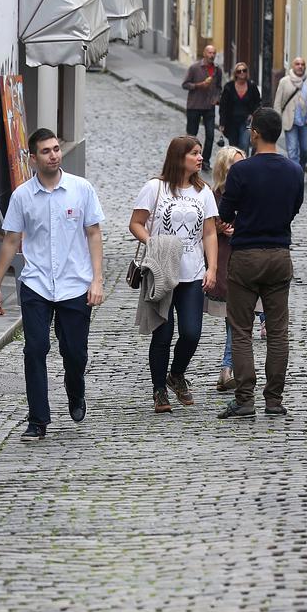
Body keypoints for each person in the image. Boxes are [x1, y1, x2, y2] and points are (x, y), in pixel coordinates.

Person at [0, 128, 105, 440]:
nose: (54, 154)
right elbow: (11, 239)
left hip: (75, 284)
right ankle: (38, 419)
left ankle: (75, 389)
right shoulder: (22, 196)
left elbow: (94, 233)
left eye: (56, 149)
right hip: (36, 284)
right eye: (46, 151)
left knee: (75, 353)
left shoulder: (81, 189)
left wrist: (97, 279)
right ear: (33, 159)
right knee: (35, 349)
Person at [216, 107, 304, 419]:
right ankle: (274, 400)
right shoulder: (294, 171)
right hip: (279, 254)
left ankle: (244, 399)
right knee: (278, 332)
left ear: (254, 133)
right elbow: (294, 208)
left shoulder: (241, 172)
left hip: (246, 255)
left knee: (241, 328)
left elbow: (225, 214)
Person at [129, 136, 219, 413]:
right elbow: (136, 223)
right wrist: (153, 243)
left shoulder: (204, 192)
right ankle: (159, 390)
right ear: (179, 157)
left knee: (191, 333)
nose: (200, 157)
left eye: (200, 153)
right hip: (161, 272)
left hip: (192, 273)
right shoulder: (154, 188)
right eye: (194, 153)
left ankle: (176, 374)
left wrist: (212, 267)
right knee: (162, 335)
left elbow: (210, 232)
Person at [207, 146, 245, 393]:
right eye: (234, 164)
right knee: (235, 318)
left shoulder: (249, 192)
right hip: (222, 262)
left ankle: (228, 368)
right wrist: (218, 230)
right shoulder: (212, 196)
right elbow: (203, 229)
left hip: (244, 260)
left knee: (236, 319)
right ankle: (227, 368)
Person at [274, 57, 307, 169]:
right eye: (297, 64)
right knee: (292, 150)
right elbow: (277, 103)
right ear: (293, 66)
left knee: (305, 149)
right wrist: (278, 120)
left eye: (302, 64)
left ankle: (301, 166)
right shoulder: (284, 81)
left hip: (306, 122)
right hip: (289, 121)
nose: (300, 66)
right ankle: (296, 174)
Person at [181, 44, 223, 170]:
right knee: (191, 136)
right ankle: (189, 159)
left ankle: (205, 161)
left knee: (210, 135)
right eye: (210, 53)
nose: (212, 55)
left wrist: (217, 98)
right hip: (194, 105)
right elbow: (185, 84)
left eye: (214, 53)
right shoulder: (195, 68)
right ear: (204, 53)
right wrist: (200, 85)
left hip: (209, 107)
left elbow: (219, 87)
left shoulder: (217, 70)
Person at [218, 62, 262, 155]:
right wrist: (222, 123)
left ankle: (244, 166)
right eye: (239, 71)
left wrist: (253, 114)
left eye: (244, 70)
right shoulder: (229, 86)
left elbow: (257, 102)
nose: (242, 73)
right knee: (233, 147)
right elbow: (223, 106)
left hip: (246, 121)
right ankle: (235, 166)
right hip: (231, 121)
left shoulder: (252, 86)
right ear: (235, 73)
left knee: (244, 144)